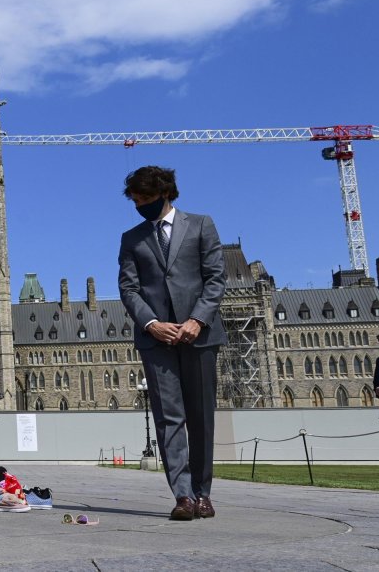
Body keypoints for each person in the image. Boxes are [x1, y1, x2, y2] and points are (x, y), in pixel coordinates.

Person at [118, 166, 226, 521]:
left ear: (165, 192)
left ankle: (202, 493)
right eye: (135, 201)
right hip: (157, 339)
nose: (140, 206)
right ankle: (182, 496)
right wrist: (151, 323)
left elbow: (215, 278)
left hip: (199, 336)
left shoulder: (200, 225)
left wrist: (197, 319)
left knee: (201, 418)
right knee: (169, 419)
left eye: (146, 199)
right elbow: (129, 289)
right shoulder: (131, 239)